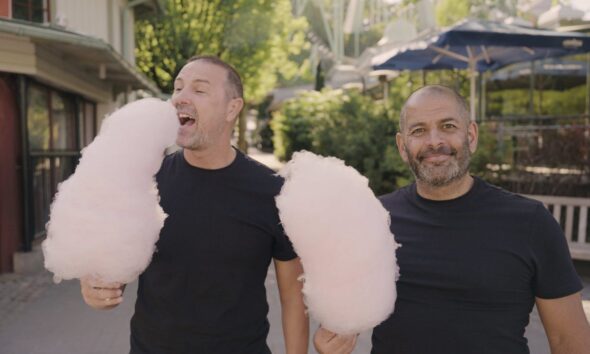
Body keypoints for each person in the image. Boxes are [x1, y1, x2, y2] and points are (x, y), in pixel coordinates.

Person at [314, 85, 590, 354]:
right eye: (419, 130)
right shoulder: (374, 219)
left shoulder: (530, 223)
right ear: (402, 145)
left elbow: (569, 339)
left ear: (470, 135)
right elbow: (347, 317)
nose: (434, 141)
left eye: (448, 126)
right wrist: (333, 340)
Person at [79, 56, 309, 354]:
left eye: (199, 90)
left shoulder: (275, 193)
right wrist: (98, 289)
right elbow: (115, 274)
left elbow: (293, 297)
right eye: (177, 88)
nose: (180, 98)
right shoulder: (144, 182)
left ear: (232, 108)